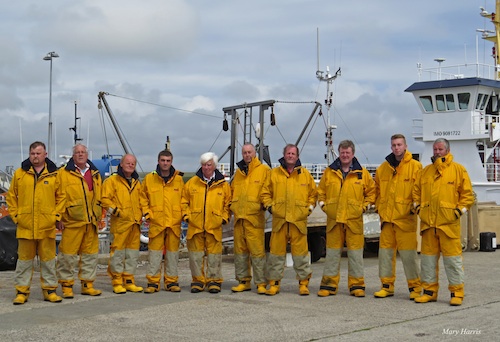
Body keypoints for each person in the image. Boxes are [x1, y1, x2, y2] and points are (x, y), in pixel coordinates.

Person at [413, 138, 474, 306]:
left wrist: (457, 212)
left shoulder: (458, 170)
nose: (437, 152)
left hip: (449, 226)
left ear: (447, 150)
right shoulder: (425, 172)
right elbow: (416, 193)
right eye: (435, 149)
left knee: (452, 261)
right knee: (427, 262)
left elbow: (468, 196)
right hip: (428, 226)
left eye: (440, 149)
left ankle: (457, 293)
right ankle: (429, 292)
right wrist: (419, 209)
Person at [7, 141, 66, 304]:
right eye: (32, 153)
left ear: (45, 154)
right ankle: (21, 292)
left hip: (46, 227)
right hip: (25, 226)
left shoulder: (55, 174)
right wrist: (17, 216)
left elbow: (62, 197)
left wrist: (56, 216)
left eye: (38, 153)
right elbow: (11, 197)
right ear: (29, 154)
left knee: (48, 261)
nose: (35, 156)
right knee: (24, 262)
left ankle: (50, 290)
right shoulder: (20, 173)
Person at [316, 140, 375, 298]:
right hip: (334, 220)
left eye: (347, 152)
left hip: (353, 221)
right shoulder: (329, 172)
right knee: (332, 254)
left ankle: (357, 285)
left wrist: (364, 207)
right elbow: (321, 191)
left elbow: (371, 193)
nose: (345, 155)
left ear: (353, 154)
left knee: (355, 255)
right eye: (342, 152)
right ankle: (328, 285)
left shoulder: (362, 173)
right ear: (339, 153)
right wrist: (324, 206)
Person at [261, 144, 317, 296]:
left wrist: (309, 209)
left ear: (297, 156)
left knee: (301, 255)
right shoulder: (274, 174)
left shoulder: (305, 175)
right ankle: (274, 284)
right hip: (279, 222)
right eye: (288, 153)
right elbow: (265, 193)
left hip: (298, 222)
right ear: (284, 155)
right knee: (275, 255)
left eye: (293, 153)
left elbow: (313, 195)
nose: (290, 156)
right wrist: (270, 207)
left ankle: (304, 284)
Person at [373, 134, 422, 300]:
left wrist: (413, 208)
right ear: (391, 147)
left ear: (405, 146)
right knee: (385, 256)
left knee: (409, 257)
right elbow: (376, 191)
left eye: (399, 144)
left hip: (405, 220)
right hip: (387, 220)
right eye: (394, 145)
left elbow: (419, 191)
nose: (396, 148)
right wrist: (380, 207)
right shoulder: (383, 168)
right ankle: (386, 286)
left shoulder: (416, 167)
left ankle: (415, 288)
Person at [56, 144, 103, 298]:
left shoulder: (95, 173)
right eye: (78, 152)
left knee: (90, 256)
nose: (81, 154)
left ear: (87, 154)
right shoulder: (63, 173)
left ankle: (87, 285)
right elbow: (58, 196)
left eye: (83, 152)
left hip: (91, 222)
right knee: (67, 256)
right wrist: (59, 218)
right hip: (72, 221)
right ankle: (67, 286)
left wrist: (99, 216)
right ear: (73, 155)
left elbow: (99, 197)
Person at [181, 152, 231, 293]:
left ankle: (214, 281)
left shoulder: (223, 186)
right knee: (195, 256)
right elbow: (184, 201)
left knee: (214, 256)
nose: (206, 167)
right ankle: (197, 281)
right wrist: (187, 216)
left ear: (214, 166)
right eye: (203, 165)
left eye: (209, 164)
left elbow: (228, 204)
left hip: (214, 226)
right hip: (195, 225)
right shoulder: (192, 183)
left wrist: (224, 218)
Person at [101, 154, 149, 294]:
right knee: (117, 254)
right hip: (120, 224)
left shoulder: (136, 182)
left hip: (135, 224)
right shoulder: (112, 181)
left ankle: (129, 279)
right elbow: (104, 199)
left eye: (133, 163)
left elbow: (141, 200)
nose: (130, 165)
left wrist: (144, 214)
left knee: (132, 254)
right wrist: (116, 211)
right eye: (128, 163)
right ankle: (116, 281)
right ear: (121, 164)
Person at [141, 150, 185, 293]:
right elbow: (142, 198)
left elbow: (184, 199)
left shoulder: (179, 180)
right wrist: (148, 214)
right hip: (157, 222)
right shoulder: (149, 179)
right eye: (163, 160)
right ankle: (153, 282)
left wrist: (183, 215)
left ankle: (171, 281)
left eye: (168, 160)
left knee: (172, 254)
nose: (165, 163)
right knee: (154, 254)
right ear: (158, 161)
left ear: (171, 162)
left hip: (174, 223)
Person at [230, 143, 270, 294]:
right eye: (244, 152)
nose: (247, 155)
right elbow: (233, 191)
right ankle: (243, 281)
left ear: (255, 153)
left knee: (257, 252)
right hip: (239, 219)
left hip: (254, 219)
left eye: (249, 152)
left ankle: (261, 282)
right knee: (240, 252)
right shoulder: (239, 173)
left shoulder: (264, 171)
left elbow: (268, 190)